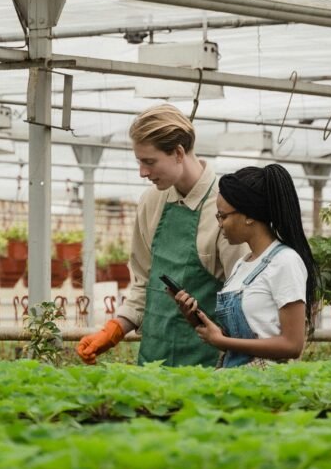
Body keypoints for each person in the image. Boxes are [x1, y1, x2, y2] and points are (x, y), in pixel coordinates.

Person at [76, 104, 247, 366]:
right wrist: (115, 330)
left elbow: (242, 298)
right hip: (153, 360)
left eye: (149, 161)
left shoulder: (224, 207)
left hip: (207, 366)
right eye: (139, 161)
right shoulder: (151, 202)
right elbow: (144, 283)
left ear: (178, 153)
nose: (142, 172)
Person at [173, 164, 320, 368]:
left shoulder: (285, 262)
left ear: (249, 215)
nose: (219, 224)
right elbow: (243, 341)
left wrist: (222, 341)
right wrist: (198, 321)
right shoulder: (242, 265)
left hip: (266, 384)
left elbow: (292, 345)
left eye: (223, 216)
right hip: (236, 377)